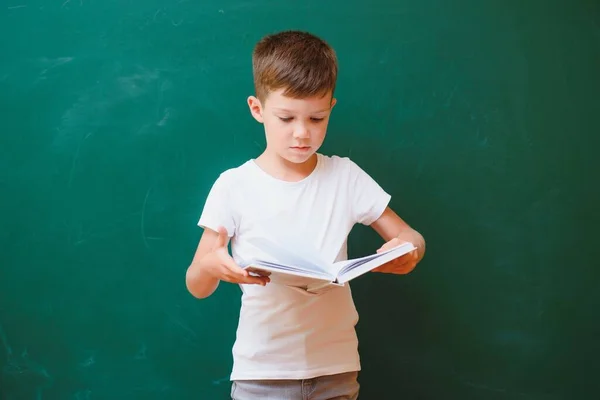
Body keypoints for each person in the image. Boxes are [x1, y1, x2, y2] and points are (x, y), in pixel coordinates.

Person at [185, 30, 426, 400]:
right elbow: (197, 284)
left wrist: (407, 250)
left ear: (331, 106)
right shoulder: (234, 185)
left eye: (316, 118)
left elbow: (411, 237)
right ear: (257, 109)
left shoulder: (345, 176)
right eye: (286, 118)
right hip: (262, 373)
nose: (302, 134)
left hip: (337, 367)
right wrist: (214, 266)